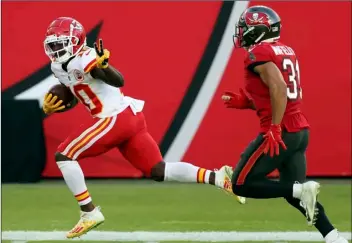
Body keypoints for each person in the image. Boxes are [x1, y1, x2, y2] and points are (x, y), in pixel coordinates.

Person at [42, 17, 245, 239]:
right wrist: (55, 105)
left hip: (113, 118)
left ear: (77, 40)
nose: (56, 49)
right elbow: (75, 91)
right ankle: (218, 177)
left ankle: (88, 212)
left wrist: (105, 67)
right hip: (128, 118)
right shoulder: (57, 66)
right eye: (53, 44)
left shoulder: (87, 57)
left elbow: (118, 80)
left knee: (65, 154)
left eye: (61, 43)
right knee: (158, 170)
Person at [221, 5, 348, 243]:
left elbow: (279, 88)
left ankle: (302, 190)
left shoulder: (258, 52)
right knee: (295, 194)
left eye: (246, 28)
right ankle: (333, 237)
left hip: (283, 130)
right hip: (299, 129)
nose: (242, 33)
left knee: (240, 183)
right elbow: (280, 91)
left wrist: (275, 127)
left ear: (259, 30)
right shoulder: (283, 50)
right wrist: (249, 103)